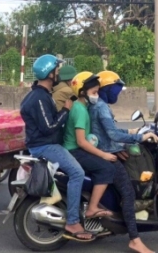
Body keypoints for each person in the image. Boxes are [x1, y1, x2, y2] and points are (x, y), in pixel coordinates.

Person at [19, 54, 94, 242]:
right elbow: (49, 127)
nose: (59, 72)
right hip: (44, 146)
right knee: (77, 173)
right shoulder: (39, 98)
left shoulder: (42, 95)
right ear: (50, 73)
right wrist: (66, 110)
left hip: (46, 144)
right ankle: (73, 221)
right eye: (57, 70)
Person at [89, 70, 158, 253]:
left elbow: (107, 131)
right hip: (105, 155)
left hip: (104, 150)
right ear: (107, 88)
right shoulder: (101, 107)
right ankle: (135, 240)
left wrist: (130, 132)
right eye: (116, 90)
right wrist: (140, 138)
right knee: (128, 193)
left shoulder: (99, 104)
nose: (118, 94)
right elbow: (111, 134)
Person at [63, 71, 115, 220]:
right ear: (82, 92)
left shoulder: (81, 107)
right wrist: (104, 155)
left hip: (75, 149)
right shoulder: (80, 111)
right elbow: (81, 141)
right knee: (107, 168)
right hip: (75, 151)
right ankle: (92, 208)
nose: (96, 96)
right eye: (94, 92)